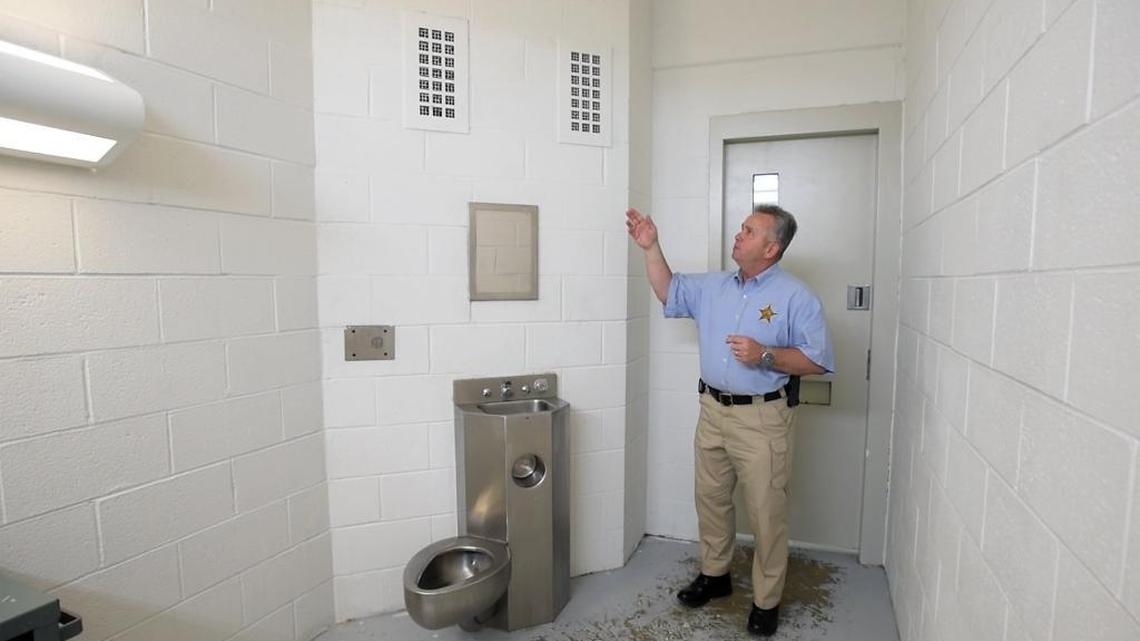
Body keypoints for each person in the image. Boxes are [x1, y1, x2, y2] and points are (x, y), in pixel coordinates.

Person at [625, 204, 834, 637]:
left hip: (763, 419)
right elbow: (669, 292)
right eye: (741, 227)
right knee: (712, 499)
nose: (738, 235)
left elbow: (817, 361)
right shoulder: (716, 285)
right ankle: (715, 575)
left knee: (765, 512)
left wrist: (766, 355)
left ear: (772, 247)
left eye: (749, 231)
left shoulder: (798, 297)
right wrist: (650, 247)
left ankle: (766, 600)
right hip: (713, 412)